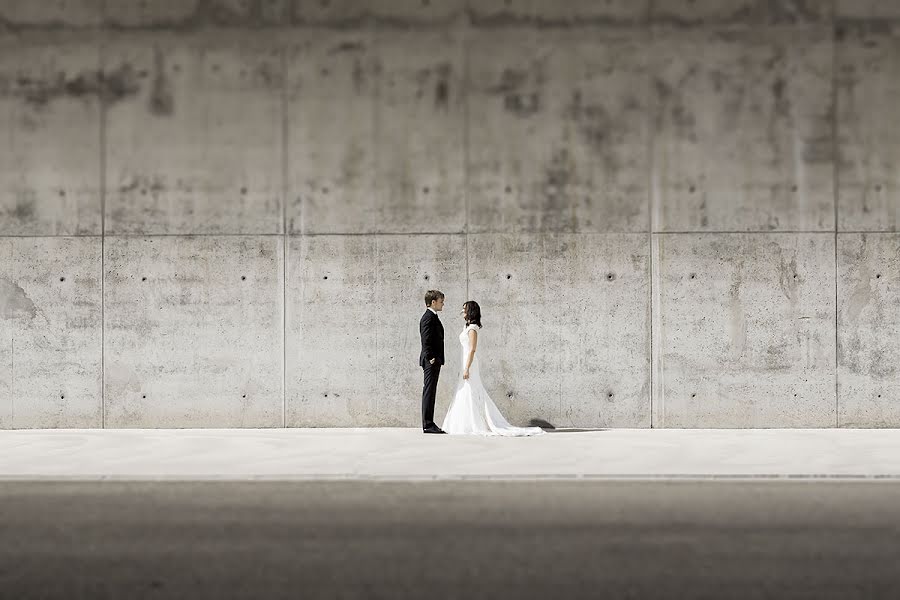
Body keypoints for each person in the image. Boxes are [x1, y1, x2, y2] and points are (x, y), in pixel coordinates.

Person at [441, 301, 544, 436]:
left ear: (471, 311)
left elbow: (472, 349)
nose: (462, 312)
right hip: (465, 362)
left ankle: (476, 423)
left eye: (464, 309)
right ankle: (466, 422)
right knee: (466, 391)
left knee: (472, 390)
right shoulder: (467, 327)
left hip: (470, 363)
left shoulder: (472, 328)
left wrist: (467, 368)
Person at [419, 290, 446, 434]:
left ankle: (429, 422)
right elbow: (426, 340)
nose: (443, 304)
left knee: (431, 391)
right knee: (429, 392)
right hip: (431, 361)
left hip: (434, 360)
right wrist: (430, 357)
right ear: (433, 302)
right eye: (441, 301)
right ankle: (428, 424)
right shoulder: (428, 318)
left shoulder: (432, 317)